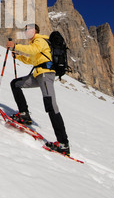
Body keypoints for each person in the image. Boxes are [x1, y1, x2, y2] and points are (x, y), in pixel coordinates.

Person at [6, 23, 70, 156]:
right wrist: (18, 56)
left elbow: (33, 50)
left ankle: (63, 144)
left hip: (46, 75)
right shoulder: (36, 43)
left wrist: (16, 46)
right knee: (16, 84)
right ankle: (24, 114)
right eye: (25, 30)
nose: (26, 31)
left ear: (35, 30)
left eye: (28, 29)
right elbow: (32, 60)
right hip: (38, 74)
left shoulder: (40, 40)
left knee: (51, 106)